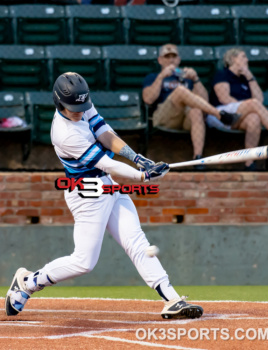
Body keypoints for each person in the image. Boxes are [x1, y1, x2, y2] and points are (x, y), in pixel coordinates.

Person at [5, 72, 203, 320]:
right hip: (87, 193)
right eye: (74, 108)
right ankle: (28, 282)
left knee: (136, 242)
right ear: (60, 104)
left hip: (108, 184)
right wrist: (142, 177)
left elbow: (104, 132)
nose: (80, 111)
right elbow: (105, 163)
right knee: (84, 262)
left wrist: (138, 159)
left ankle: (172, 299)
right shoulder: (64, 134)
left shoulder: (81, 103)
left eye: (82, 105)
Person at [142, 43, 241, 166]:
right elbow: (148, 99)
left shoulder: (187, 78)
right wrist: (161, 77)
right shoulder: (153, 77)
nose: (171, 59)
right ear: (160, 60)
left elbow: (204, 100)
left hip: (185, 118)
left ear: (178, 59)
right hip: (164, 117)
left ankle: (198, 158)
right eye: (167, 57)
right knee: (180, 91)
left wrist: (196, 79)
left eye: (174, 56)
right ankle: (220, 115)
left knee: (197, 111)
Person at [207, 48, 268, 170]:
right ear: (233, 59)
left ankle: (249, 163)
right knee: (253, 104)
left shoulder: (245, 78)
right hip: (220, 114)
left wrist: (250, 77)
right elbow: (224, 98)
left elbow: (259, 100)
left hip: (237, 117)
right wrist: (247, 105)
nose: (247, 59)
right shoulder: (223, 73)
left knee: (254, 118)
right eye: (243, 56)